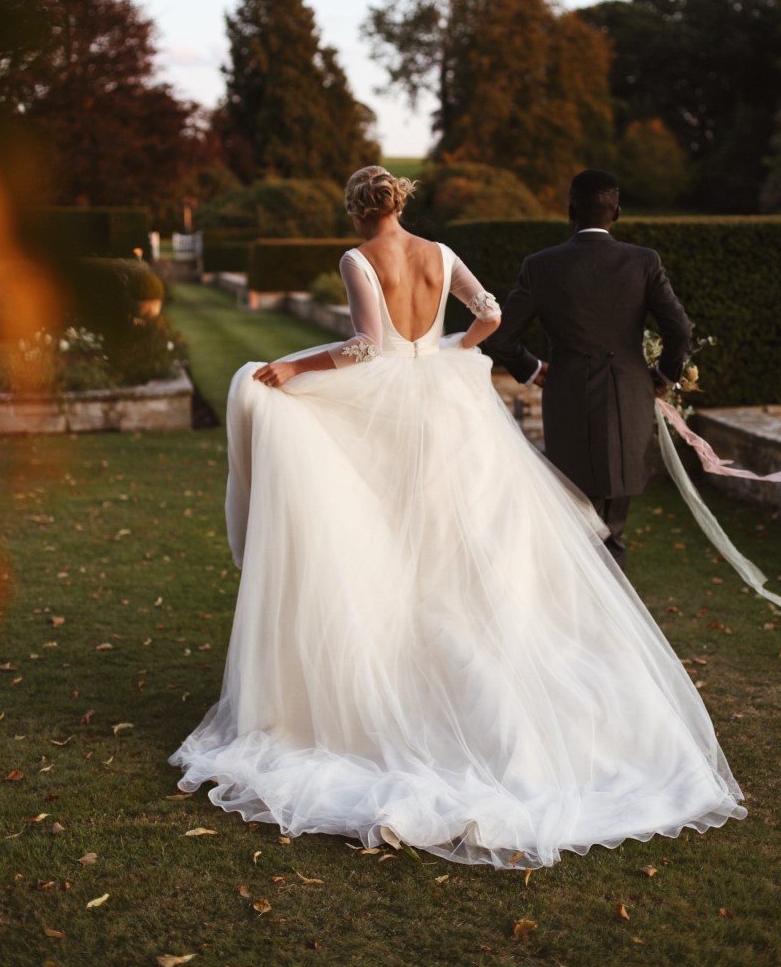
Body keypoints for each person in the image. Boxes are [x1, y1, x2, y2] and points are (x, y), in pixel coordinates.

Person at [168, 165, 745, 870]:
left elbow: (362, 348)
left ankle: (403, 660)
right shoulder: (440, 255)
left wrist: (293, 370)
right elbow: (492, 316)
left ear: (356, 212)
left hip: (393, 401)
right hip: (446, 401)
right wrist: (447, 352)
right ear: (399, 203)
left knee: (389, 522)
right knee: (457, 527)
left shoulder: (357, 259)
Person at [487, 169, 692, 570]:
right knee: (612, 528)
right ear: (616, 211)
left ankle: (585, 620)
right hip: (628, 402)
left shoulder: (539, 266)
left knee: (574, 524)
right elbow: (680, 331)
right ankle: (612, 621)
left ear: (570, 212)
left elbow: (500, 338)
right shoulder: (644, 261)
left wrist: (532, 369)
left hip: (567, 403)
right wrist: (661, 378)